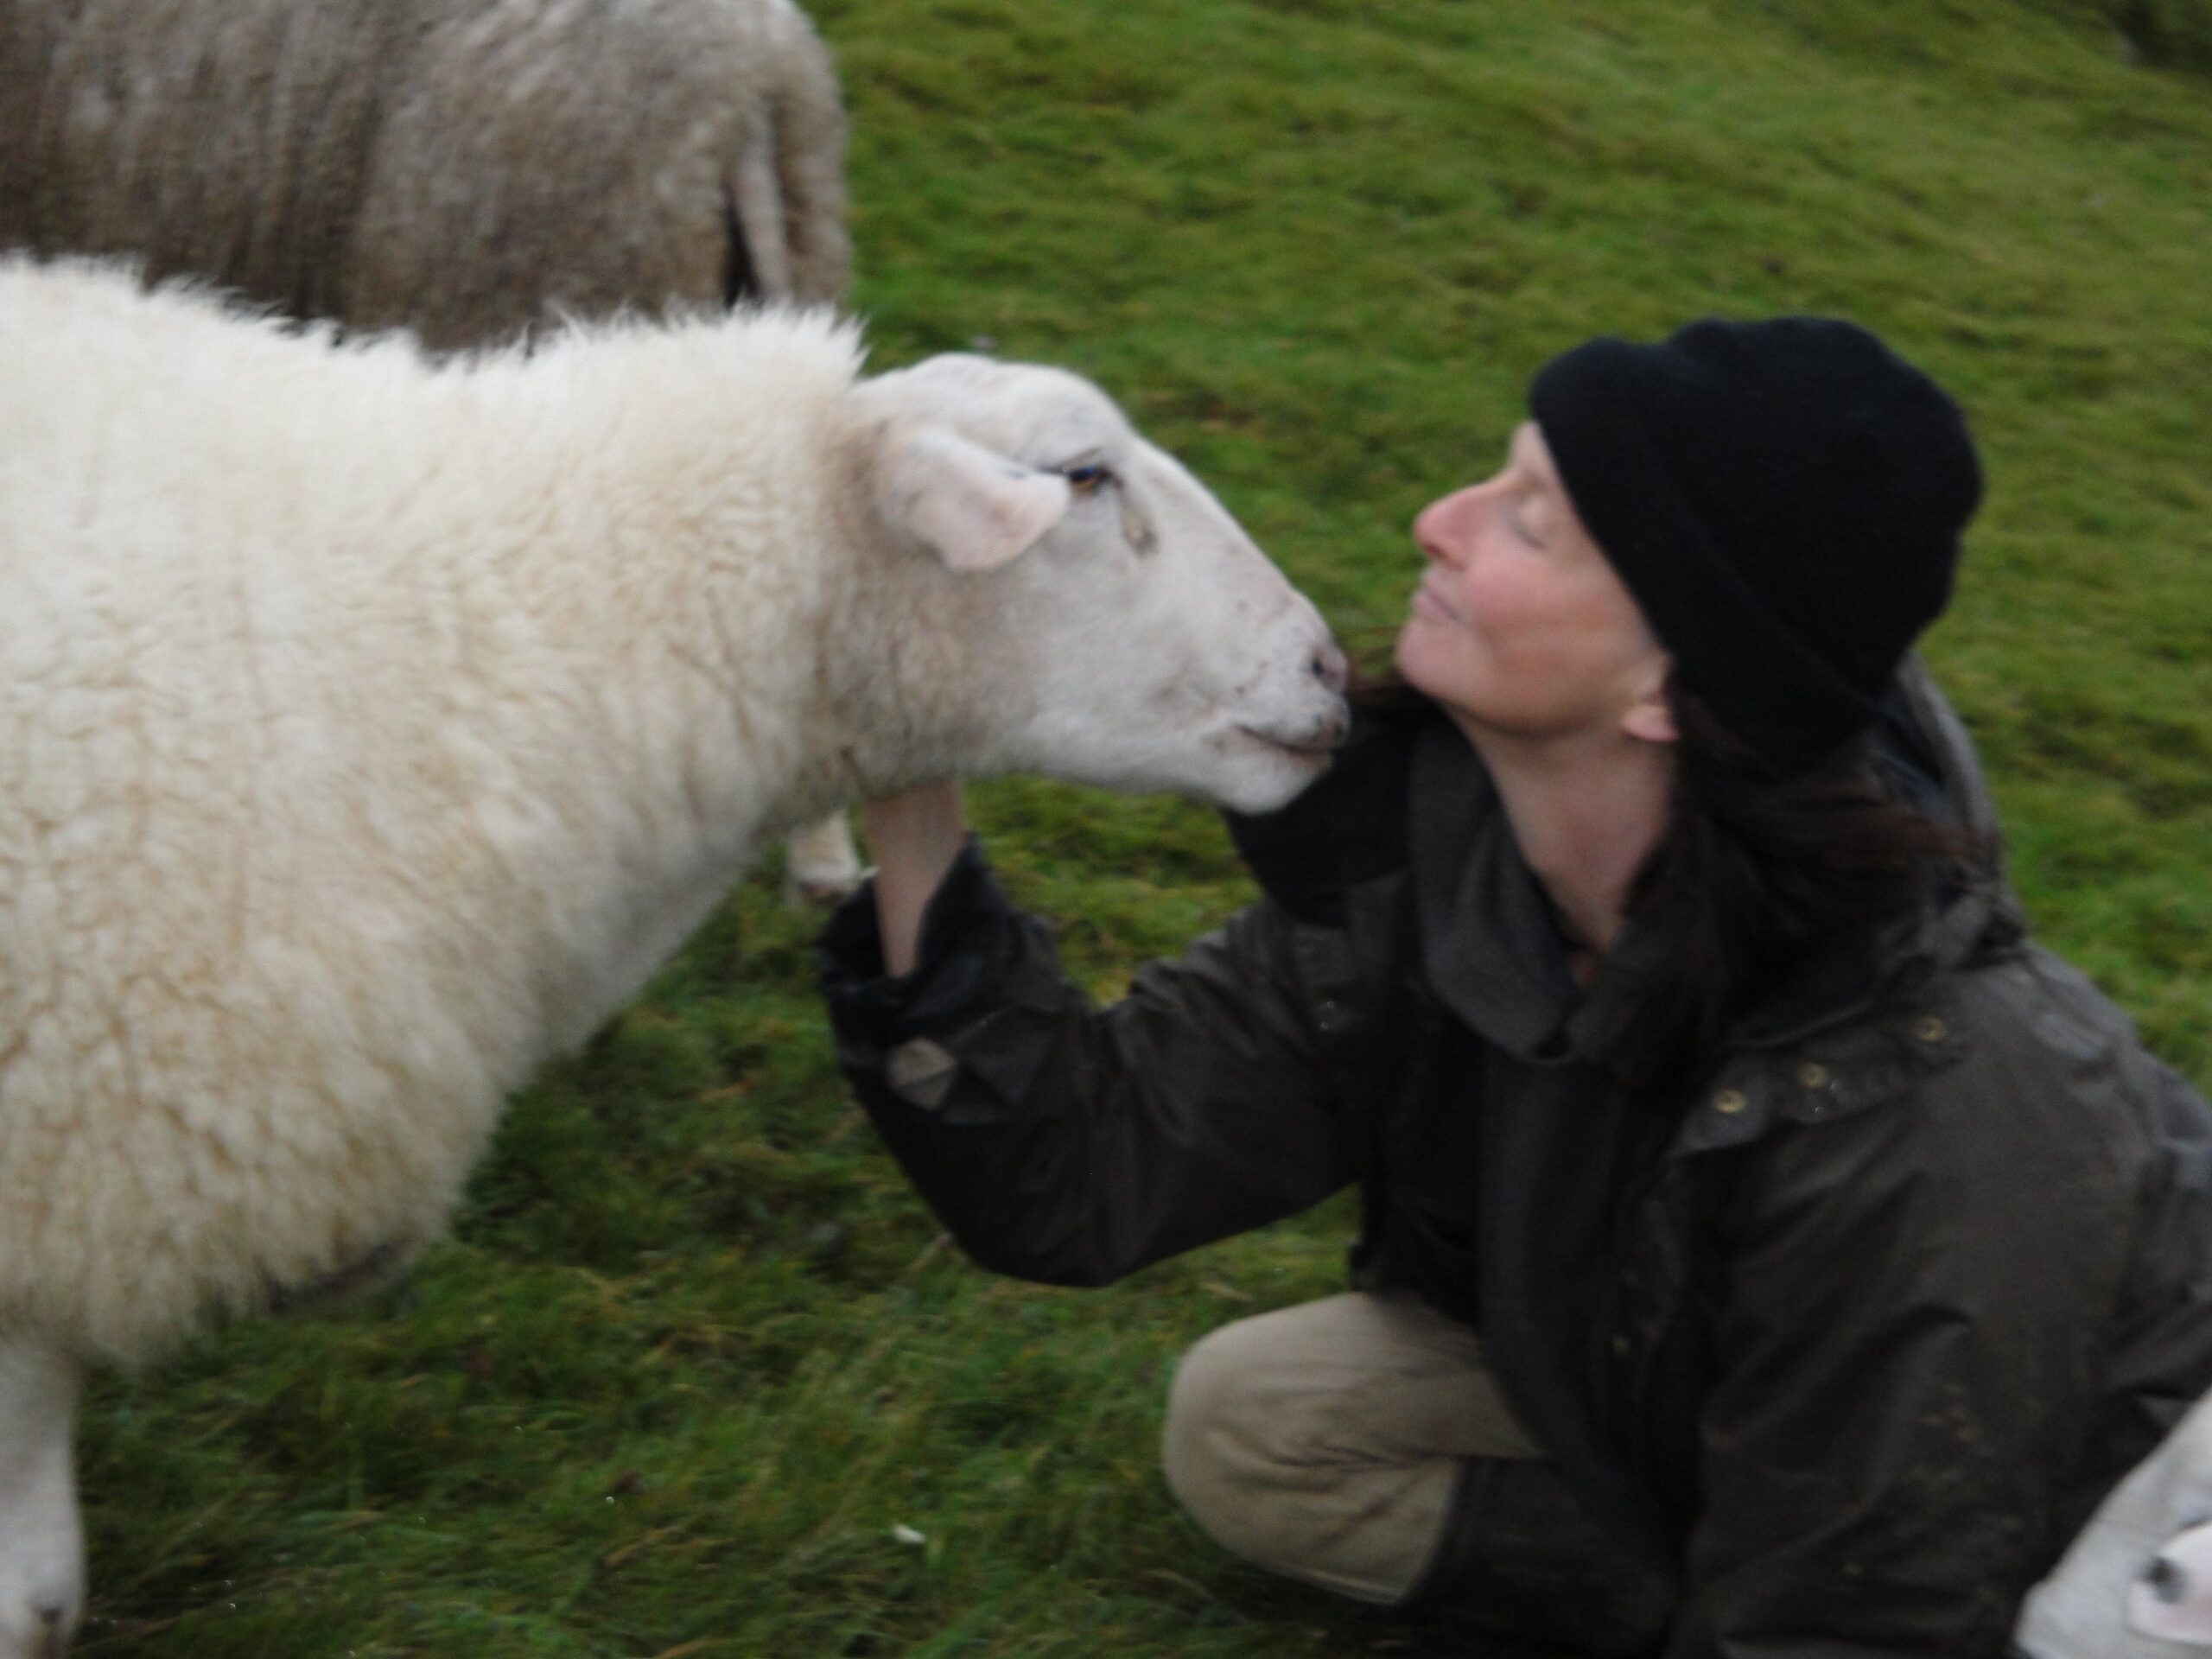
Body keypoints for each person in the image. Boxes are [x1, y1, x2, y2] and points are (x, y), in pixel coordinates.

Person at [816, 316, 2212, 1656]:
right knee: (1257, 1420)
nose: (1438, 516)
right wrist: (914, 769)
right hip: (1709, 1412)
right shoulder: (1444, 863)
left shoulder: (1944, 1105)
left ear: (1666, 685)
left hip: (2124, 1545)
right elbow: (1083, 1168)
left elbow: (1860, 1612)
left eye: (1527, 518)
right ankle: (1675, 1581)